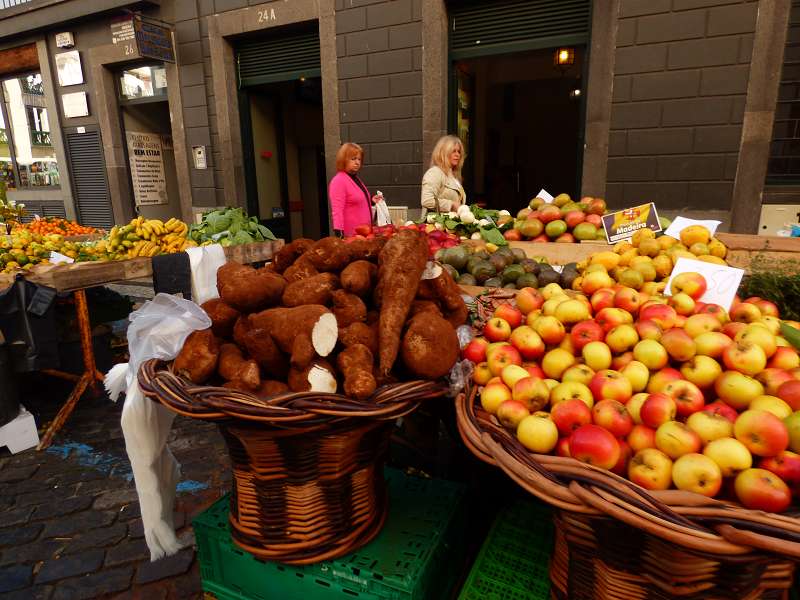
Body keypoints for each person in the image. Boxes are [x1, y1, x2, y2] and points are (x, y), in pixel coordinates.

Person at [328, 142, 379, 237]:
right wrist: (340, 237)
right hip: (351, 237)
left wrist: (371, 199)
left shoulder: (355, 178)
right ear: (343, 160)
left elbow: (357, 200)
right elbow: (337, 211)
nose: (357, 162)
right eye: (353, 159)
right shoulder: (339, 180)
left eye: (359, 159)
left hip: (364, 235)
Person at [420, 135, 466, 216]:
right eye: (453, 151)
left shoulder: (455, 176)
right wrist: (451, 205)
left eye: (459, 152)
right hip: (436, 225)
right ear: (443, 153)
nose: (457, 155)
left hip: (451, 225)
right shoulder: (435, 173)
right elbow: (427, 200)